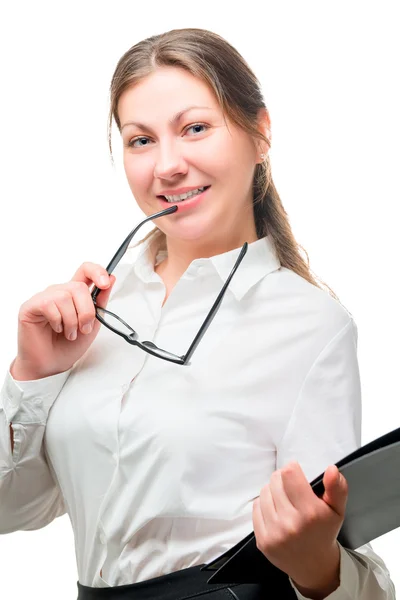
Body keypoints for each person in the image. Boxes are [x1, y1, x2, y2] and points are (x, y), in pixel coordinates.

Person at [0, 27, 395, 600]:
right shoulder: (94, 314)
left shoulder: (310, 327)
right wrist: (33, 375)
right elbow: (13, 511)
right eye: (140, 141)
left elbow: (354, 570)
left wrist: (318, 570)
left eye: (195, 129)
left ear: (260, 133)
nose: (167, 166)